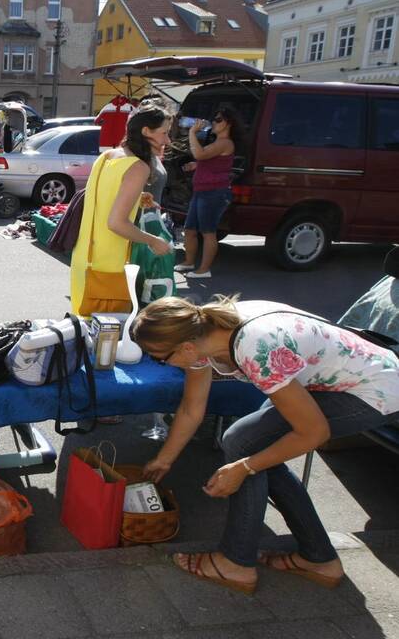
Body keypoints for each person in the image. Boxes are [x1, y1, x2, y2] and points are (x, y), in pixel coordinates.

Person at [131, 295, 399, 595]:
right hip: (356, 378)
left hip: (376, 391)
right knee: (245, 443)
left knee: (242, 446)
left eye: (158, 357)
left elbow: (313, 433)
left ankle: (236, 563)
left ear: (186, 347)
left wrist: (244, 467)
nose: (158, 363)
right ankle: (319, 558)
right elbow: (193, 407)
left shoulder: (254, 348)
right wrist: (164, 459)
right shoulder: (205, 331)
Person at [69, 102, 174, 317]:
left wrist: (137, 198)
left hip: (84, 260)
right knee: (106, 342)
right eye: (164, 133)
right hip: (109, 267)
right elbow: (116, 223)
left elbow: (101, 199)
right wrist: (154, 241)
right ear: (146, 132)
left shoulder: (108, 156)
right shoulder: (138, 167)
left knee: (85, 330)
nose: (167, 140)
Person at [176, 107, 241, 279]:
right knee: (189, 230)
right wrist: (196, 166)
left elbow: (200, 153)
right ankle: (189, 262)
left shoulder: (225, 142)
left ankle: (203, 270)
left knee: (208, 232)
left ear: (229, 123)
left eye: (218, 120)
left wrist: (192, 132)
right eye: (214, 119)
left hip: (214, 193)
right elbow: (212, 161)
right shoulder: (217, 142)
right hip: (201, 191)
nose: (214, 122)